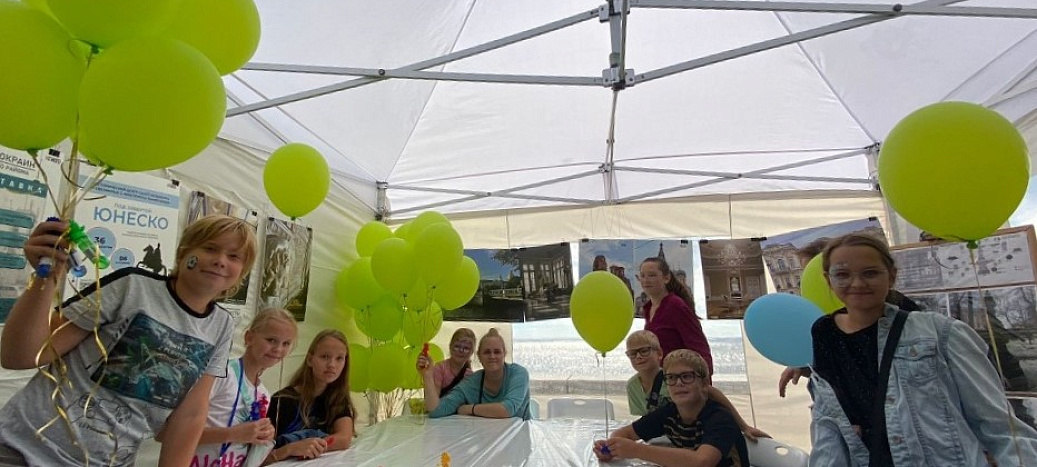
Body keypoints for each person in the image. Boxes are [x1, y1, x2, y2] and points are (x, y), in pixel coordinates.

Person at [0, 215, 256, 466]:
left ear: (242, 272)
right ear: (183, 253)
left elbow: (191, 414)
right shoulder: (132, 286)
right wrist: (46, 278)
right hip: (23, 449)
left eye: (234, 256)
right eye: (210, 248)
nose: (220, 261)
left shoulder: (221, 325)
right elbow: (20, 356)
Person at [809, 234, 1037, 465]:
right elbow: (827, 420)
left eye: (870, 273)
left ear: (891, 276)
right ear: (828, 280)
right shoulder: (823, 332)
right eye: (842, 274)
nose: (857, 283)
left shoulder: (941, 332)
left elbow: (998, 424)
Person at [779, 237, 922, 397]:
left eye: (869, 273)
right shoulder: (824, 328)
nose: (857, 283)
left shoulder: (907, 314)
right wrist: (806, 365)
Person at [595, 350, 749, 467]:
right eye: (671, 378)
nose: (678, 383)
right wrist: (612, 448)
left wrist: (636, 450)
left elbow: (702, 461)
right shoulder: (669, 412)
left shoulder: (720, 418)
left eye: (687, 376)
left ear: (704, 384)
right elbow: (625, 433)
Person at [191, 308, 297, 467]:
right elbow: (176, 433)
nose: (278, 349)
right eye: (271, 340)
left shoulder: (262, 394)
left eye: (286, 343)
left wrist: (263, 434)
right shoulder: (221, 375)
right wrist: (232, 434)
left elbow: (245, 441)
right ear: (249, 338)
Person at [625, 331, 769, 441]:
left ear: (659, 353)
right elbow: (645, 419)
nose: (638, 357)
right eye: (632, 353)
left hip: (694, 435)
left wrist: (744, 426)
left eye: (644, 351)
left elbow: (712, 392)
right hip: (665, 438)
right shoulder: (632, 386)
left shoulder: (675, 376)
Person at [265, 329, 355, 463]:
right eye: (325, 357)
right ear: (310, 360)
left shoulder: (337, 398)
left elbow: (344, 438)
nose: (332, 365)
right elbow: (257, 458)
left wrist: (313, 445)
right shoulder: (282, 401)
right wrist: (290, 449)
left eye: (339, 358)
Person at [423, 328, 531, 420]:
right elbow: (435, 411)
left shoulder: (518, 374)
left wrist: (470, 409)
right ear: (479, 356)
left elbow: (507, 409)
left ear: (504, 354)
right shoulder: (472, 381)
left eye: (497, 352)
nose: (492, 356)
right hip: (486, 436)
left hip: (520, 434)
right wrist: (427, 375)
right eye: (487, 352)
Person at [639, 257, 712, 374]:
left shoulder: (675, 306)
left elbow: (699, 346)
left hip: (681, 378)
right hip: (661, 377)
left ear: (666, 278)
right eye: (642, 276)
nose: (646, 280)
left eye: (652, 275)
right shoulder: (648, 308)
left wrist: (704, 378)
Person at [416, 328, 476, 397]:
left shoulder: (471, 376)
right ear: (450, 346)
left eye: (466, 348)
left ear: (472, 352)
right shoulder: (440, 369)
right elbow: (433, 400)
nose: (461, 350)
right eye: (457, 346)